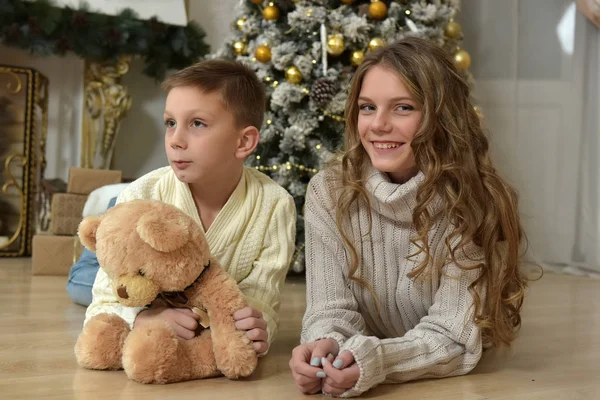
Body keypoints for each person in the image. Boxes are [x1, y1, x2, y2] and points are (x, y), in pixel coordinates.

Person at [289, 37, 530, 397]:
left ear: (441, 118)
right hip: (372, 356)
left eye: (402, 108)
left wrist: (376, 361)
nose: (378, 125)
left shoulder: (473, 202)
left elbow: (452, 335)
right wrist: (325, 344)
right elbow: (329, 307)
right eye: (367, 108)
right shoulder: (329, 191)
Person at [82, 59, 297, 357]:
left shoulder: (275, 205)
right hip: (125, 235)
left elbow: (262, 299)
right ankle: (93, 239)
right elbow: (103, 303)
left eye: (197, 123)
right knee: (80, 284)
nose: (175, 140)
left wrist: (258, 327)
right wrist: (145, 317)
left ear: (244, 141)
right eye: (170, 123)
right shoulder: (142, 192)